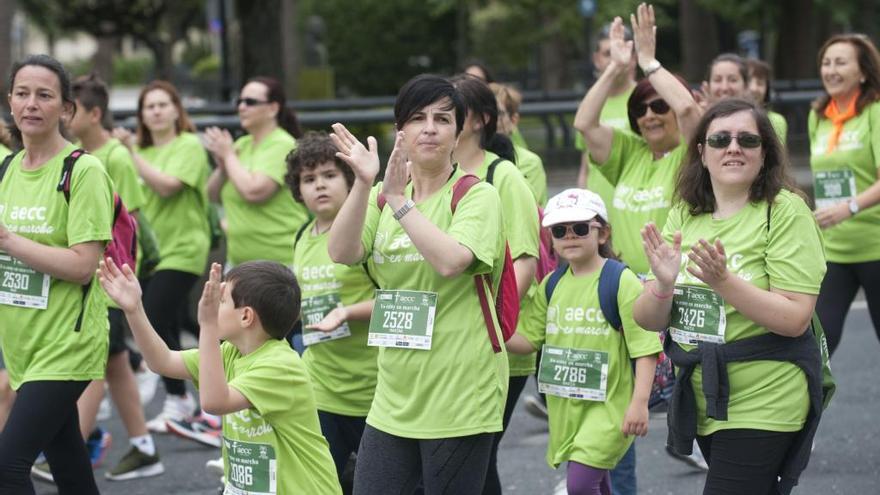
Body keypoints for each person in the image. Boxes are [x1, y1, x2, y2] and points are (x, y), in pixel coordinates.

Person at [634, 97, 828, 494]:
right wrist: (664, 284)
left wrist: (724, 282)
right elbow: (648, 319)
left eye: (748, 140)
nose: (733, 147)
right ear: (703, 153)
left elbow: (795, 319)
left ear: (765, 154)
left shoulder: (785, 211)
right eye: (720, 139)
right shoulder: (685, 214)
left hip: (766, 396)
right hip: (705, 400)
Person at [328, 74, 508, 494]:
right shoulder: (381, 196)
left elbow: (451, 261)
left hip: (461, 390)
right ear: (400, 132)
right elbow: (342, 251)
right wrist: (363, 183)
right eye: (418, 118)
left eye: (442, 119)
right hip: (395, 392)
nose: (429, 128)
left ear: (457, 131)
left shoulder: (476, 195)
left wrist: (399, 202)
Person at [573, 7, 706, 478]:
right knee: (619, 398)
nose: (649, 116)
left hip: (672, 291)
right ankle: (610, 481)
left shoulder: (692, 157)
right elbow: (585, 124)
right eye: (640, 110)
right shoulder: (629, 152)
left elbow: (692, 110)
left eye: (657, 107)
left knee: (682, 394)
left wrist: (648, 63)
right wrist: (615, 68)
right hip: (625, 288)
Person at [98, 258, 342, 494]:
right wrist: (134, 309)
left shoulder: (280, 366)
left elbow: (214, 402)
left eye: (220, 300)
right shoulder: (231, 351)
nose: (211, 306)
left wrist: (208, 325)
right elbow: (161, 361)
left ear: (246, 316)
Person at [0, 53, 114, 494]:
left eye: (44, 95)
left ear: (66, 109)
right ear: (10, 102)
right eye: (22, 94)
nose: (32, 103)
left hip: (68, 344)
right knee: (69, 467)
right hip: (22, 343)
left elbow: (85, 265)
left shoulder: (83, 170)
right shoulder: (7, 170)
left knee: (8, 468)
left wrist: (10, 241)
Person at [44, 73, 164, 481]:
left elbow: (130, 220)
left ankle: (66, 449)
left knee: (94, 364)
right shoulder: (74, 154)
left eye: (71, 108)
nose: (62, 115)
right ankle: (144, 446)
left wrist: (123, 278)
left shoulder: (113, 156)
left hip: (110, 279)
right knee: (114, 364)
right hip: (99, 278)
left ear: (94, 114)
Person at [506, 188, 660, 495]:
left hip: (609, 410)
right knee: (598, 485)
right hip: (566, 408)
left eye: (580, 228)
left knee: (579, 486)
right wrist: (494, 328)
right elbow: (529, 340)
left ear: (602, 233)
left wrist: (639, 403)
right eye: (560, 230)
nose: (569, 236)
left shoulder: (620, 280)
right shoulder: (552, 284)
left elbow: (645, 347)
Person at [449, 73, 540, 495]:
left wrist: (490, 325)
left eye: (451, 109)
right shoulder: (432, 174)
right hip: (444, 345)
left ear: (481, 119)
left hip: (496, 343)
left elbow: (525, 261)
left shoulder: (503, 176)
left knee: (473, 458)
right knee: (462, 459)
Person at [113, 81, 211, 432]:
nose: (155, 111)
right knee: (172, 322)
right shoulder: (136, 151)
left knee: (152, 316)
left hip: (185, 248)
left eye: (162, 104)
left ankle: (188, 399)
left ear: (176, 110)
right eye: (148, 106)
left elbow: (167, 187)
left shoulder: (188, 145)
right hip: (151, 254)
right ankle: (191, 398)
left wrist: (131, 154)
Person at [285, 131, 379, 482]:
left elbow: (399, 302)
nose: (319, 186)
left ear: (349, 178)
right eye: (308, 179)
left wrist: (348, 312)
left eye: (329, 175)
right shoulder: (302, 236)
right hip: (321, 384)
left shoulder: (367, 231)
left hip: (373, 387)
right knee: (321, 482)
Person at [809, 33, 880, 355]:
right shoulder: (817, 115)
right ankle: (803, 406)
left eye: (840, 62)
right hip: (834, 251)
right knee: (815, 346)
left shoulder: (875, 112)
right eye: (826, 63)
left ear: (863, 72)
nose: (831, 70)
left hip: (875, 246)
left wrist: (849, 207)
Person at [205, 76, 305, 270]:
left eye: (250, 102)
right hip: (238, 264)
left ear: (273, 109)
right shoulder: (242, 145)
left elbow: (254, 191)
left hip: (280, 264)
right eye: (239, 101)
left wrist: (228, 156)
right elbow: (212, 195)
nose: (242, 107)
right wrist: (224, 167)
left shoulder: (282, 143)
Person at [575, 21, 638, 211]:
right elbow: (585, 165)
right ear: (596, 59)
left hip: (635, 207)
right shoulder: (590, 105)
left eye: (619, 52)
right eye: (607, 53)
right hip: (597, 213)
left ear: (632, 57)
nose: (614, 59)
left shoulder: (647, 102)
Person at [490, 82, 548, 205]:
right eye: (487, 113)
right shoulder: (465, 159)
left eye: (499, 114)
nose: (491, 120)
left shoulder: (529, 163)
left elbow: (530, 209)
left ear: (513, 120)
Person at [747, 58, 789, 144]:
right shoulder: (723, 118)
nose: (754, 88)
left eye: (760, 83)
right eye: (748, 81)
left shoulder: (776, 121)